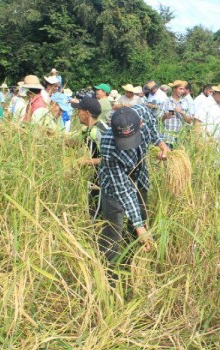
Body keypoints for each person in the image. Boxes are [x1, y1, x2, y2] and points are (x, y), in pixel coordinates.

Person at [97, 107, 170, 263]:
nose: (129, 146)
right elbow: (123, 189)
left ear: (140, 124)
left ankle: (134, 261)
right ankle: (110, 273)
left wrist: (162, 145)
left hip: (140, 176)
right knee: (113, 230)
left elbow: (154, 133)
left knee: (141, 219)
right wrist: (139, 226)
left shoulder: (143, 113)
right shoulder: (108, 145)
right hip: (115, 185)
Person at [74, 97, 109, 220]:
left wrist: (87, 162)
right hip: (97, 174)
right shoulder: (88, 130)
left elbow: (109, 158)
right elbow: (76, 143)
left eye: (79, 110)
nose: (77, 114)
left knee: (97, 210)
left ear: (86, 113)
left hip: (105, 177)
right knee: (93, 206)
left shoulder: (98, 131)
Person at [157, 80, 192, 145]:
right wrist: (165, 116)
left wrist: (181, 112)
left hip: (180, 138)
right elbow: (158, 119)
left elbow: (189, 120)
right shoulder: (165, 102)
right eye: (180, 89)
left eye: (183, 89)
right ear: (174, 89)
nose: (182, 91)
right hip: (167, 138)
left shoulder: (185, 102)